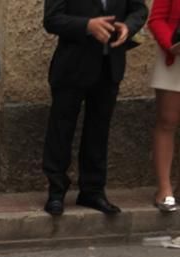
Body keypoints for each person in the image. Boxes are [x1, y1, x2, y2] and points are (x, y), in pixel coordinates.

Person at [41, 0, 148, 217]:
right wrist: (87, 26)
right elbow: (52, 19)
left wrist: (128, 26)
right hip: (72, 65)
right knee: (61, 129)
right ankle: (56, 191)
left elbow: (139, 10)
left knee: (98, 130)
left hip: (109, 67)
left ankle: (92, 190)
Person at [148, 0, 180, 212]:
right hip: (175, 57)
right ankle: (164, 189)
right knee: (167, 121)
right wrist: (171, 45)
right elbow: (156, 19)